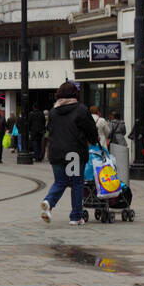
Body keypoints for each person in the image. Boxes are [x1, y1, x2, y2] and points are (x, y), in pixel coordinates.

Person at [40, 81, 100, 227]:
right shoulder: (81, 109)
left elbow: (50, 131)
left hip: (56, 152)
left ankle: (48, 202)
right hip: (74, 153)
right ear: (75, 94)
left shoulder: (53, 112)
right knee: (77, 183)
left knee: (60, 181)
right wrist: (93, 141)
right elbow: (90, 129)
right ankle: (76, 217)